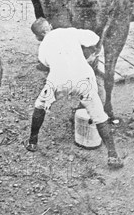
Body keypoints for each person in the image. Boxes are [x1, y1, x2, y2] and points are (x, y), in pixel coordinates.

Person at [25, 18, 124, 169]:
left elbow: (44, 64)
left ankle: (32, 141)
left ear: (39, 35)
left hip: (58, 79)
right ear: (49, 27)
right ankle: (112, 155)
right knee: (99, 115)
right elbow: (94, 38)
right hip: (84, 77)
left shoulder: (43, 45)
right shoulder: (70, 31)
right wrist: (89, 55)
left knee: (40, 105)